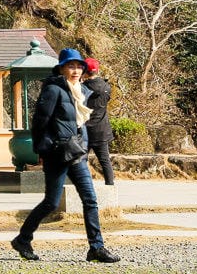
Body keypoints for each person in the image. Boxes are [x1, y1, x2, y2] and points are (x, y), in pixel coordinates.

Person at [10, 48, 120, 264]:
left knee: (90, 199)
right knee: (51, 203)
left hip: (77, 152)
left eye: (79, 66)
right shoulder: (53, 90)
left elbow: (80, 124)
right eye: (71, 66)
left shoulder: (81, 91)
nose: (76, 70)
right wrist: (43, 150)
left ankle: (96, 247)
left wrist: (84, 143)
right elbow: (39, 123)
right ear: (61, 68)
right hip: (57, 154)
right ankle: (23, 239)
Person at [83, 57, 115, 186]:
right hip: (101, 129)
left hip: (85, 130)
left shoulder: (82, 89)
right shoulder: (106, 87)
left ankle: (84, 187)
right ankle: (110, 186)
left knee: (80, 161)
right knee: (105, 161)